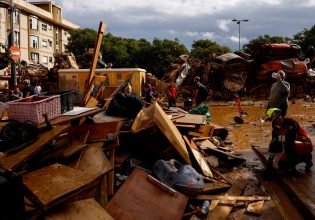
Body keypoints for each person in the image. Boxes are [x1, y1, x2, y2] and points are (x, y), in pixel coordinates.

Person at [266, 108, 313, 172]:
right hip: (291, 146)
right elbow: (274, 143)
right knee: (282, 164)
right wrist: (270, 159)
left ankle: (306, 159)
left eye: (279, 116)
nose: (279, 118)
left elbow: (295, 133)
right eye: (277, 118)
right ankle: (294, 162)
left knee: (294, 145)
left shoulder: (290, 121)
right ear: (273, 120)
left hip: (300, 140)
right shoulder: (275, 130)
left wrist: (286, 132)